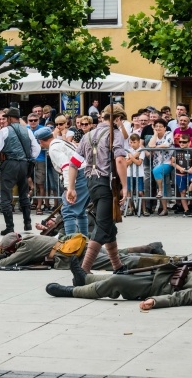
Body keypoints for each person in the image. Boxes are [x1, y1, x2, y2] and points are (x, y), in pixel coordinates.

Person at [67, 104, 127, 274]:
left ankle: (118, 267)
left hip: (91, 182)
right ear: (118, 119)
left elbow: (74, 163)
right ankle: (84, 269)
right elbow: (120, 160)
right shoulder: (114, 134)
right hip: (107, 183)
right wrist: (126, 186)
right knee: (102, 226)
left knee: (108, 226)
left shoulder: (88, 135)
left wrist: (70, 187)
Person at [46, 259, 192, 310]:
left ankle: (72, 291)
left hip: (157, 287)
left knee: (116, 281)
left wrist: (155, 301)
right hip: (164, 275)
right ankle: (85, 279)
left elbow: (180, 298)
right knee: (123, 274)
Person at [0, 107, 41, 235]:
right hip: (24, 165)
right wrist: (29, 157)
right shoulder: (27, 131)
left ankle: (9, 227)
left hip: (9, 164)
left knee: (6, 195)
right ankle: (27, 224)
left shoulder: (5, 131)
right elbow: (37, 149)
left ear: (10, 118)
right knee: (23, 193)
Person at [0, 232, 170, 271]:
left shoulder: (25, 247)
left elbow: (6, 263)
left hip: (74, 254)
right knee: (119, 255)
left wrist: (2, 258)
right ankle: (152, 250)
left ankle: (169, 261)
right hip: (80, 245)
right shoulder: (30, 238)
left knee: (118, 261)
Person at [35, 126, 90, 236]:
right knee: (80, 212)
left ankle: (71, 244)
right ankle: (84, 241)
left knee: (68, 211)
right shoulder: (61, 142)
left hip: (77, 175)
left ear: (40, 141)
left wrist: (69, 187)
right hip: (85, 173)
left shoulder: (54, 149)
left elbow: (67, 167)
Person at [147, 118, 174, 216]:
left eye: (160, 126)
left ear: (164, 128)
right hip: (157, 162)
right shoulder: (154, 136)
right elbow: (150, 145)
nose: (158, 128)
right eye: (156, 126)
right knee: (162, 183)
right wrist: (155, 134)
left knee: (156, 172)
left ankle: (160, 191)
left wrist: (155, 147)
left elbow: (167, 144)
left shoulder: (169, 134)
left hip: (169, 162)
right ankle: (164, 208)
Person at [171, 134, 192, 217]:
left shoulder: (191, 152)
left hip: (189, 172)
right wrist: (179, 168)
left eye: (184, 142)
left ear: (189, 143)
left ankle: (189, 192)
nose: (182, 143)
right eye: (180, 142)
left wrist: (191, 169)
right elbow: (172, 162)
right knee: (182, 192)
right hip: (180, 174)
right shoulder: (176, 151)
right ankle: (186, 210)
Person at [27, 112, 47, 215]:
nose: (33, 122)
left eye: (35, 120)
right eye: (31, 120)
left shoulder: (43, 129)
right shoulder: (25, 129)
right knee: (28, 181)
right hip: (28, 159)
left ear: (38, 120)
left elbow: (47, 144)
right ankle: (33, 202)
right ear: (28, 121)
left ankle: (39, 206)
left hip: (40, 159)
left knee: (40, 184)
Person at [125, 133, 147, 216]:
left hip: (139, 174)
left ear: (138, 142)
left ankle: (144, 209)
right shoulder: (128, 150)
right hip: (129, 174)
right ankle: (131, 208)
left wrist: (131, 157)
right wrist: (134, 156)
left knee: (140, 192)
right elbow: (127, 163)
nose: (132, 144)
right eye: (131, 142)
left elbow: (138, 162)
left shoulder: (141, 151)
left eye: (134, 142)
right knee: (129, 192)